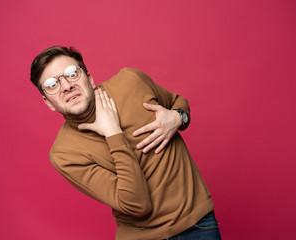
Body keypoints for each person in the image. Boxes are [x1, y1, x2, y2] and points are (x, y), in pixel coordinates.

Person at [30, 46, 221, 240]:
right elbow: (137, 205)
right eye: (52, 84)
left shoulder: (131, 81)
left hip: (199, 225)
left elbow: (178, 102)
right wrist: (113, 133)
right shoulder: (64, 154)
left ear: (90, 78)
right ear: (48, 102)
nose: (66, 86)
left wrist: (178, 117)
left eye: (72, 74)